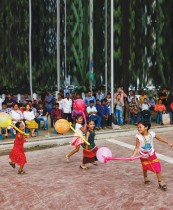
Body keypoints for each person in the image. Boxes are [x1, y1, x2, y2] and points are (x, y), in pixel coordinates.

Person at [131, 120, 173, 190]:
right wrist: (133, 155)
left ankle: (160, 182)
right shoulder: (138, 136)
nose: (138, 129)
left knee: (157, 166)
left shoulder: (152, 134)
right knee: (145, 167)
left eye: (140, 127)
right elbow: (137, 147)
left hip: (151, 154)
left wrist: (168, 143)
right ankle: (145, 177)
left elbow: (159, 138)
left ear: (146, 127)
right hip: (143, 155)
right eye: (138, 127)